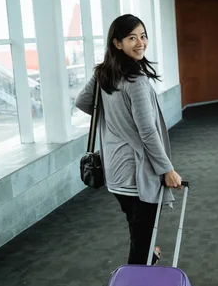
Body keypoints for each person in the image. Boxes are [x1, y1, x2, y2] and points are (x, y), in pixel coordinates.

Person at [75, 14, 182, 266]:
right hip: (136, 172)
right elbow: (147, 131)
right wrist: (167, 169)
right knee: (141, 244)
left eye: (143, 36)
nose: (140, 43)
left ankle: (147, 259)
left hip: (114, 171)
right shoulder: (135, 80)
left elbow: (82, 102)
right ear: (117, 43)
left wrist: (114, 120)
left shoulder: (103, 74)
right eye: (131, 37)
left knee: (139, 232)